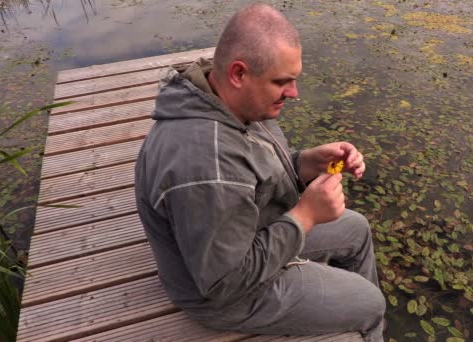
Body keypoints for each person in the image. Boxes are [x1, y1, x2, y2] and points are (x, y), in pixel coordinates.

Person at [134, 3, 385, 341]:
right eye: (282, 82)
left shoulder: (226, 99)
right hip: (222, 294)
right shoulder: (207, 166)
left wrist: (306, 163)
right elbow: (224, 282)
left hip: (245, 231)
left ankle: (342, 312)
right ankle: (361, 322)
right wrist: (305, 216)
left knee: (355, 230)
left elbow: (253, 174)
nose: (294, 93)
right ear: (238, 73)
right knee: (370, 304)